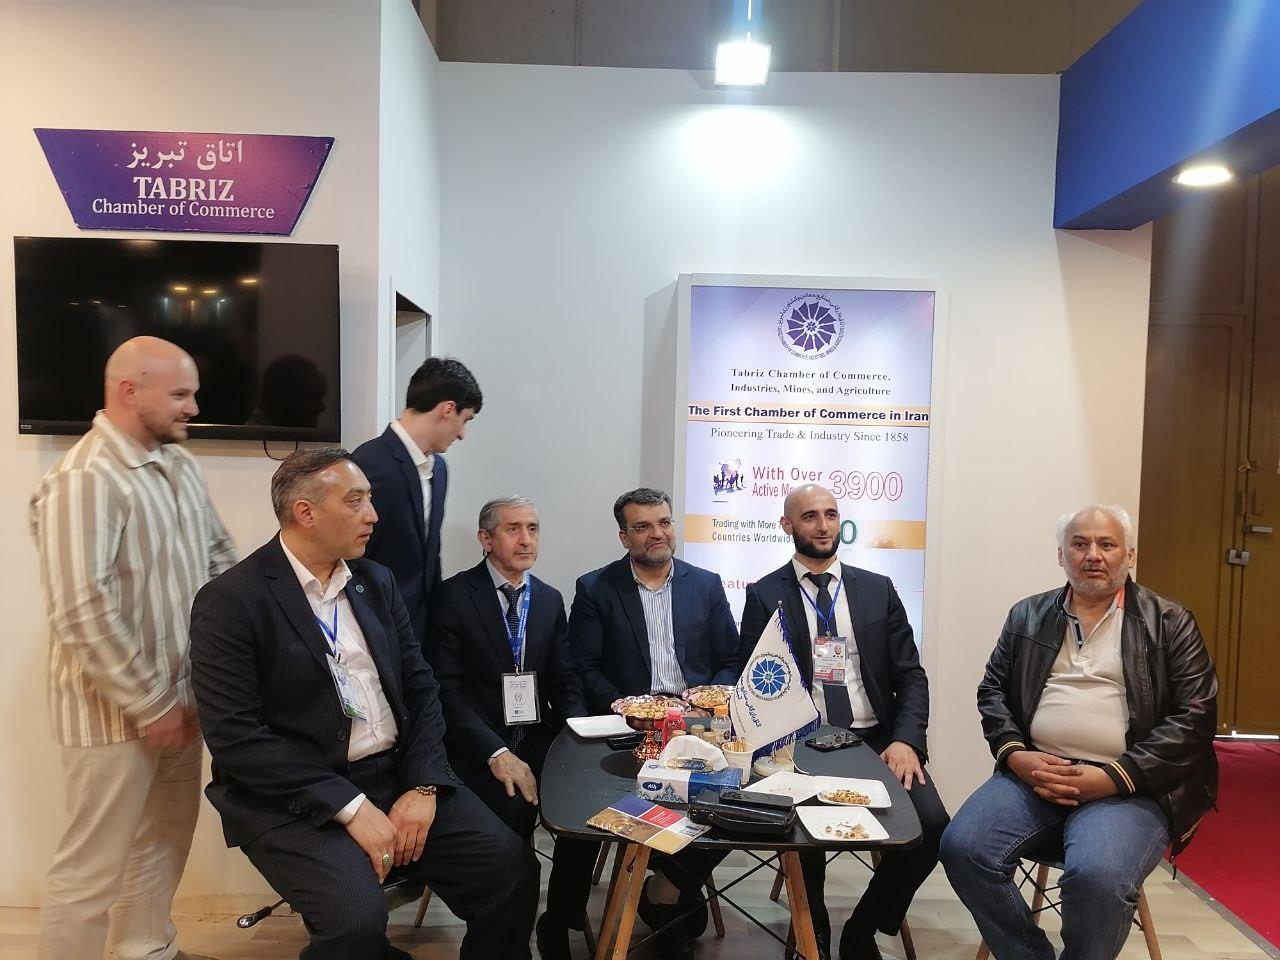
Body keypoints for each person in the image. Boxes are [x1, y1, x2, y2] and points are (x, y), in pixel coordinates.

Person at [189, 448, 538, 960]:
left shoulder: (375, 580)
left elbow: (422, 688)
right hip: (298, 796)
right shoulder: (231, 600)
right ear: (305, 513)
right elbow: (236, 737)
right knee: (354, 923)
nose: (373, 515)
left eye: (370, 499)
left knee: (512, 869)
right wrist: (350, 807)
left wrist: (424, 784)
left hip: (398, 774)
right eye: (355, 501)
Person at [30, 336, 238, 960]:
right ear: (129, 391)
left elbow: (219, 558)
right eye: (179, 394)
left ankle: (146, 949)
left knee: (163, 844)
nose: (193, 408)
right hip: (112, 716)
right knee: (91, 871)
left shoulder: (179, 464)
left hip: (184, 701)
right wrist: (151, 704)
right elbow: (80, 606)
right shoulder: (83, 478)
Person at [939, 504, 1219, 960]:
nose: (1093, 555)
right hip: (1036, 775)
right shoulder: (1027, 615)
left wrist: (1114, 777)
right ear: (1061, 555)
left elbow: (1196, 717)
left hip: (1130, 786)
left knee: (1096, 877)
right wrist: (1016, 756)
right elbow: (993, 690)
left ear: (1130, 555)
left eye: (1107, 544)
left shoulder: (1169, 621)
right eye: (1080, 543)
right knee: (962, 848)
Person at [739, 484, 947, 960]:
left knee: (933, 826)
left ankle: (862, 928)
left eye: (830, 514)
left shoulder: (877, 589)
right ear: (788, 526)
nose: (823, 525)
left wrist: (906, 741)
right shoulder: (765, 594)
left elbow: (910, 675)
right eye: (810, 516)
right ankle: (813, 938)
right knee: (803, 830)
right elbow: (753, 681)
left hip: (876, 740)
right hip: (803, 742)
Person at [568, 487, 743, 958]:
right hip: (630, 729)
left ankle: (667, 887)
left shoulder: (705, 584)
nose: (656, 533)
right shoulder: (596, 589)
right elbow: (584, 668)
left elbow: (730, 659)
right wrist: (632, 709)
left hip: (698, 725)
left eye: (663, 522)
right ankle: (660, 898)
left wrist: (708, 704)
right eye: (642, 526)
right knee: (597, 800)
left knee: (737, 800)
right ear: (624, 536)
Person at [429, 496, 595, 959]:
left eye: (533, 529)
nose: (526, 540)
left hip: (536, 737)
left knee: (589, 811)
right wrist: (496, 753)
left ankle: (558, 920)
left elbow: (564, 680)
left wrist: (582, 737)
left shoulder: (548, 599)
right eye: (513, 529)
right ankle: (507, 939)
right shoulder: (453, 597)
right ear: (486, 539)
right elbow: (446, 692)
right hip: (479, 745)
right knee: (512, 819)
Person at [351, 357, 482, 648]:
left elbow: (429, 554)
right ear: (448, 409)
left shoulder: (440, 469)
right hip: (374, 627)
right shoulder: (369, 463)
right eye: (465, 420)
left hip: (420, 631)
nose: (462, 434)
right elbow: (351, 557)